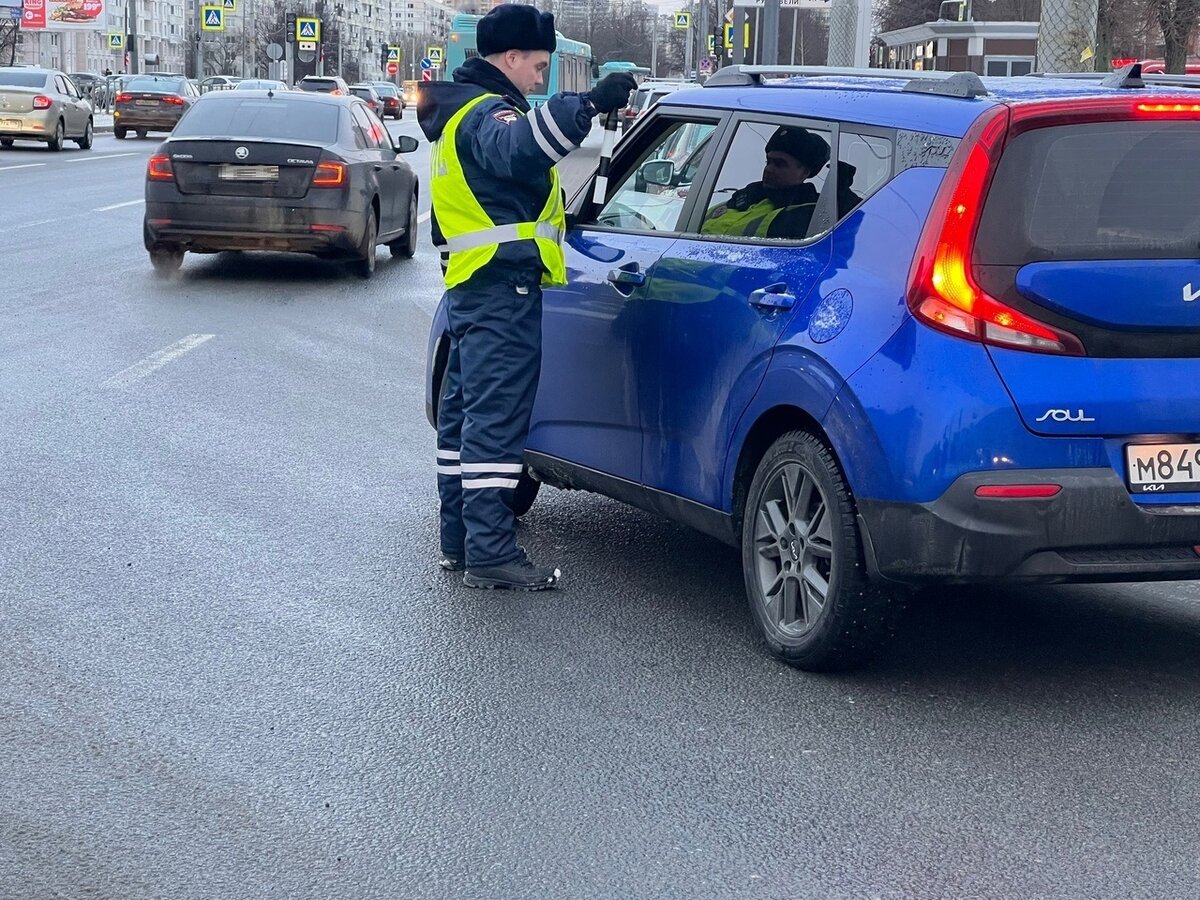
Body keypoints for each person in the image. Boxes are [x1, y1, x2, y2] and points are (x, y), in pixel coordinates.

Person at [418, 3, 636, 591]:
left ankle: (461, 543)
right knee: (495, 424)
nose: (541, 79)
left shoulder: (458, 110)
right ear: (510, 57)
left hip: (473, 284)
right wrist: (589, 103)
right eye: (538, 67)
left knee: (463, 422)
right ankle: (489, 554)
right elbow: (524, 150)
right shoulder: (488, 113)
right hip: (499, 287)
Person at [701, 126, 830, 240]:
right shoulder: (745, 197)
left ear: (804, 173)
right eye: (768, 162)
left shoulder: (806, 213)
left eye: (779, 164)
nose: (768, 169)